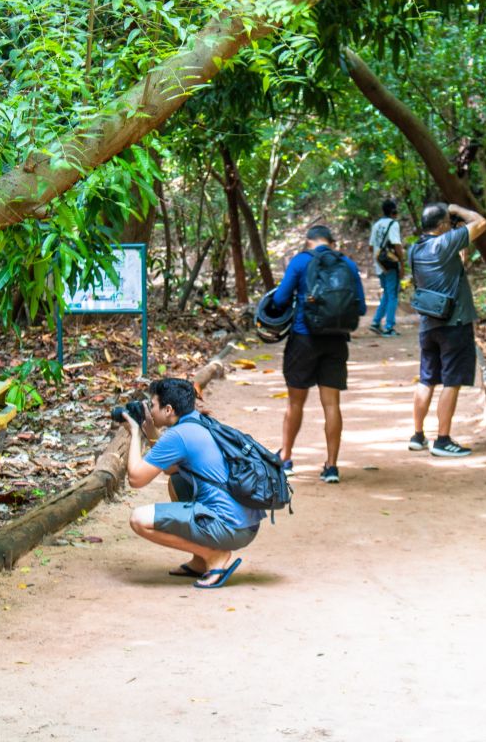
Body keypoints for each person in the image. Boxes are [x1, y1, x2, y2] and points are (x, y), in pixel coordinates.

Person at [123, 378, 263, 589]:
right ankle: (200, 561)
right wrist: (150, 432)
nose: (150, 410)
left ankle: (213, 554)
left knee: (138, 519)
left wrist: (134, 432)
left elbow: (136, 479)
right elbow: (171, 468)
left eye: (152, 405)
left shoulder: (178, 435)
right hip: (246, 524)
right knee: (178, 481)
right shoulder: (199, 422)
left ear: (168, 409)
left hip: (229, 526)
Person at [270, 225, 366, 483]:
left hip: (304, 338)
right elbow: (361, 305)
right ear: (332, 242)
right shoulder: (347, 263)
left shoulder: (301, 261)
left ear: (308, 241)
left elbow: (279, 299)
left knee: (295, 402)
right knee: (332, 404)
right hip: (336, 340)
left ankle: (287, 457)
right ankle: (331, 466)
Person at [408, 202, 486, 457]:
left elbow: (455, 267)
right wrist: (457, 208)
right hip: (454, 324)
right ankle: (443, 440)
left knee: (427, 379)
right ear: (442, 226)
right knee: (452, 381)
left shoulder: (415, 249)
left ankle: (418, 435)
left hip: (428, 324)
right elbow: (481, 222)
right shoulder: (444, 243)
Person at [368, 198, 405, 337]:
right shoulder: (393, 224)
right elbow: (396, 244)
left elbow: (371, 247)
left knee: (387, 294)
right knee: (393, 295)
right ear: (393, 211)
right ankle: (389, 326)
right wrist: (401, 263)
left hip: (379, 264)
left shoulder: (376, 225)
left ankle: (376, 322)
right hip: (390, 264)